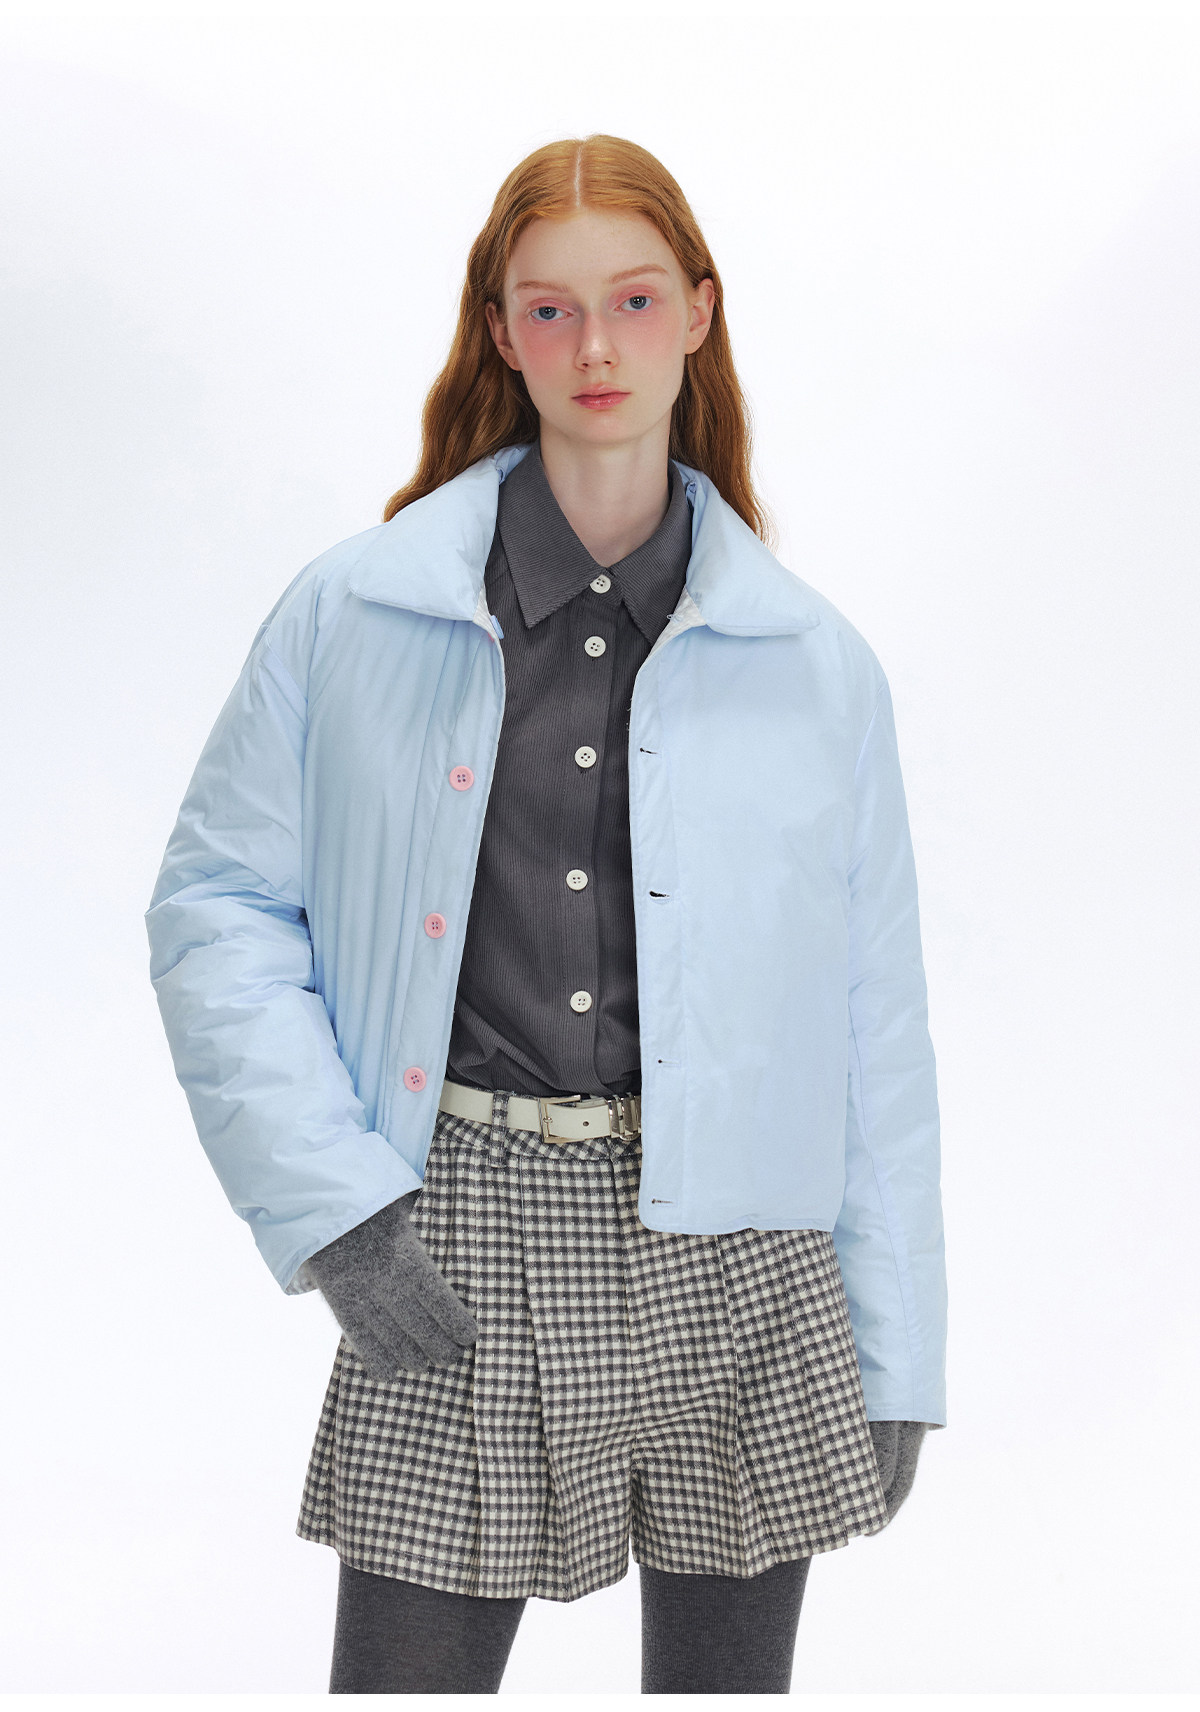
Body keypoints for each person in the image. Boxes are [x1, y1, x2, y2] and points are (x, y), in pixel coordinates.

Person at [145, 134, 947, 1695]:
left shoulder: (816, 666)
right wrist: (334, 1205)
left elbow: (876, 1020)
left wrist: (894, 1338)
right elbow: (218, 910)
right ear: (501, 332)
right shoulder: (354, 615)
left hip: (744, 1245)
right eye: (553, 308)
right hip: (459, 1220)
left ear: (699, 313)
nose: (597, 348)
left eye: (635, 301)